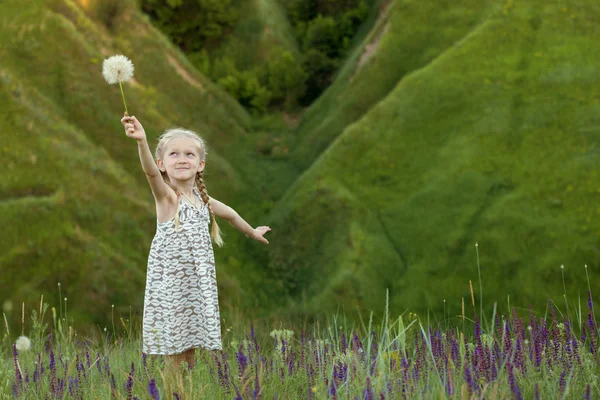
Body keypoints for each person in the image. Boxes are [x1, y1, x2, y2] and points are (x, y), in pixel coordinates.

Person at [121, 113, 271, 370]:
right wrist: (142, 142)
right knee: (175, 354)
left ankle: (184, 393)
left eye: (189, 154)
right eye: (174, 154)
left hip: (196, 287)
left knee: (189, 355)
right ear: (162, 164)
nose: (182, 159)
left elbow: (232, 215)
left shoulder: (203, 201)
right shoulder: (168, 199)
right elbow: (149, 174)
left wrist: (252, 232)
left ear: (201, 164)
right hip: (173, 290)